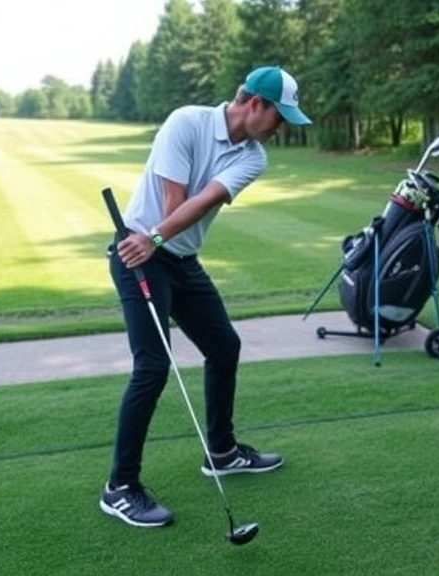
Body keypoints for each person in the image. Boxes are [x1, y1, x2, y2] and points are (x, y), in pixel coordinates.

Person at [99, 66, 312, 528]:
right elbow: (174, 202)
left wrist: (156, 238)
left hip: (174, 256)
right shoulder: (186, 122)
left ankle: (221, 452)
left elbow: (202, 202)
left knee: (224, 346)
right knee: (153, 366)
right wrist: (152, 241)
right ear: (255, 104)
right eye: (280, 118)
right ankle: (119, 487)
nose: (281, 130)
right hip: (139, 256)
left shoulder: (253, 157)